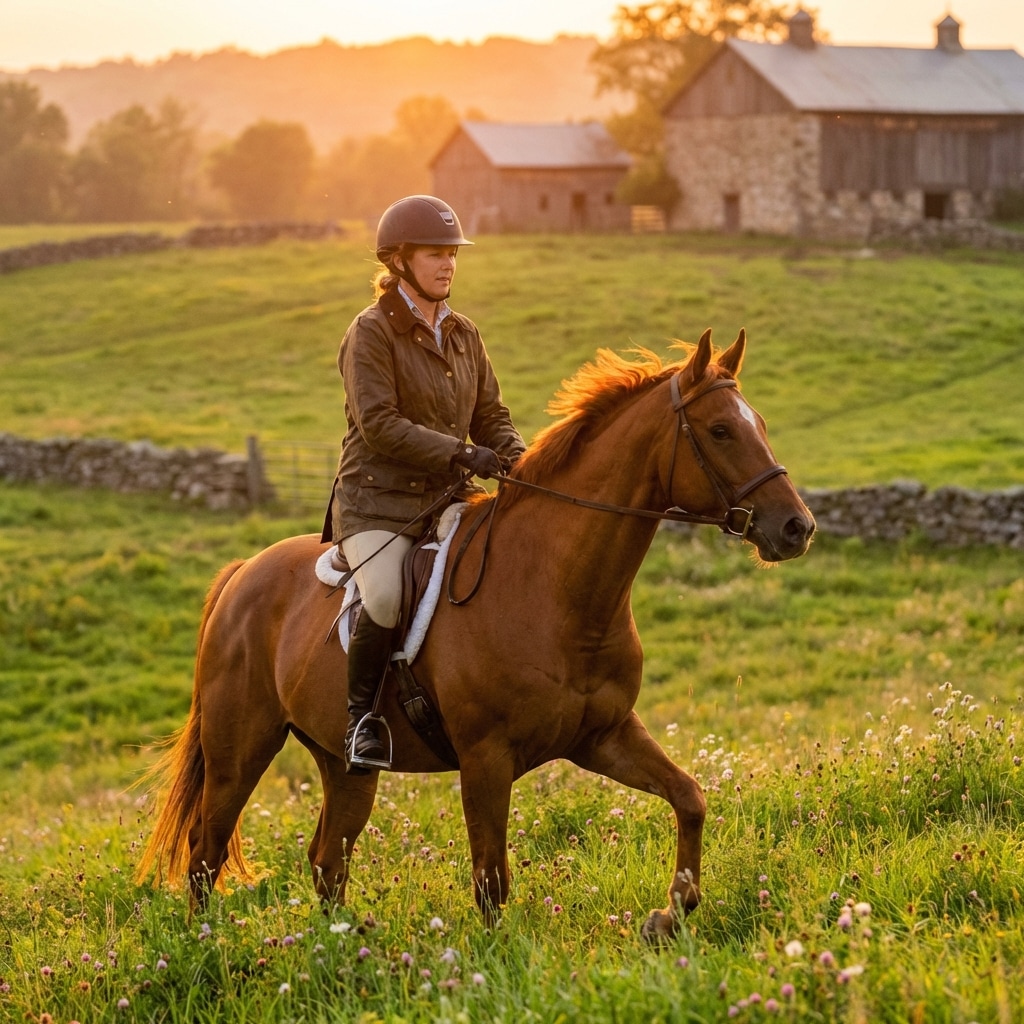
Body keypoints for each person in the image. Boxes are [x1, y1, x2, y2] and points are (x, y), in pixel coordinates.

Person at [321, 195, 527, 773]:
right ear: (399, 260)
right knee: (385, 595)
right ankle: (362, 720)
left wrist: (523, 462)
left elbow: (492, 417)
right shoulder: (370, 332)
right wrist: (463, 453)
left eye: (453, 254)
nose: (448, 264)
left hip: (447, 498)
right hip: (378, 501)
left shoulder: (465, 333)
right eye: (435, 254)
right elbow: (380, 425)